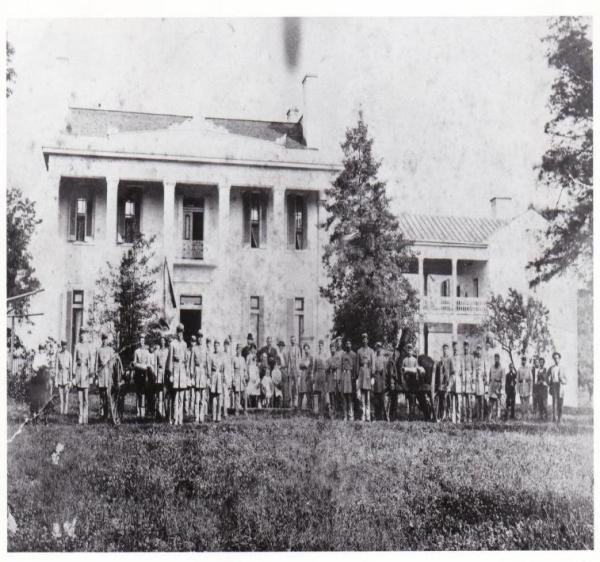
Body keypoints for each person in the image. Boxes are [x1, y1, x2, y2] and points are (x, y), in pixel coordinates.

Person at [167, 324, 188, 426]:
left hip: (182, 373)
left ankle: (180, 420)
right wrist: (170, 373)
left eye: (182, 332)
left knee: (181, 398)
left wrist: (187, 374)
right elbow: (170, 359)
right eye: (179, 332)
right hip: (175, 372)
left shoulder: (185, 344)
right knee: (175, 398)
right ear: (176, 333)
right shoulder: (172, 344)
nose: (180, 334)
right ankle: (174, 419)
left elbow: (186, 361)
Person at [95, 333, 117, 423]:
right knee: (102, 395)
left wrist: (108, 364)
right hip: (101, 375)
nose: (105, 341)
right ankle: (102, 415)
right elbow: (96, 363)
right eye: (103, 339)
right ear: (102, 340)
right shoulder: (99, 350)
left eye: (106, 339)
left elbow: (114, 362)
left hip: (108, 375)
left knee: (108, 395)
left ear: (107, 340)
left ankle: (108, 415)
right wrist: (96, 373)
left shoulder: (110, 350)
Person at [73, 329, 93, 425]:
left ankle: (86, 418)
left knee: (86, 398)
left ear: (86, 335)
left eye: (84, 334)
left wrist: (91, 375)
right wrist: (73, 375)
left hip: (86, 373)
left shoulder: (88, 346)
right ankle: (80, 418)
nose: (82, 336)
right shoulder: (77, 346)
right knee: (80, 399)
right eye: (81, 334)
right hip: (78, 373)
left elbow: (91, 361)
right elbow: (74, 361)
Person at [188, 332, 209, 423]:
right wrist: (192, 376)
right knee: (196, 397)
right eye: (199, 337)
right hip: (196, 373)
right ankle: (196, 417)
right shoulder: (194, 349)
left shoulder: (205, 349)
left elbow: (208, 364)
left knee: (202, 397)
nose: (200, 339)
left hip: (203, 373)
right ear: (197, 339)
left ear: (203, 339)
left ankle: (201, 416)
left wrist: (208, 376)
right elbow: (191, 363)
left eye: (201, 337)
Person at [356, 333, 375, 422]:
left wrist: (373, 376)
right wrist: (357, 378)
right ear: (362, 340)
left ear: (368, 340)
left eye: (366, 339)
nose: (364, 340)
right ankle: (362, 416)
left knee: (368, 396)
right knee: (361, 397)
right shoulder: (359, 351)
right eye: (363, 339)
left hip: (368, 373)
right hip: (361, 373)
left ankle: (368, 416)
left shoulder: (371, 351)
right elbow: (357, 365)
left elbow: (373, 365)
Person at [133, 335, 153, 420]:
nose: (142, 342)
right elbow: (134, 363)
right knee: (138, 393)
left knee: (144, 393)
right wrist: (140, 366)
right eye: (140, 340)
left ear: (144, 341)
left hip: (145, 374)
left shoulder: (147, 352)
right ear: (139, 341)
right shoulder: (136, 351)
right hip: (138, 374)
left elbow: (148, 363)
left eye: (143, 340)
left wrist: (146, 367)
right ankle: (138, 412)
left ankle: (143, 412)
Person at [401, 343, 419, 420]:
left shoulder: (415, 360)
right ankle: (407, 415)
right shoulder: (404, 360)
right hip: (406, 381)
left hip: (413, 382)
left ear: (412, 351)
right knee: (407, 398)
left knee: (413, 398)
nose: (409, 352)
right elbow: (402, 370)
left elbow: (416, 370)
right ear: (407, 351)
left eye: (410, 350)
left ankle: (413, 414)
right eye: (408, 350)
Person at [54, 339, 72, 416]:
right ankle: (61, 412)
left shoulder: (69, 355)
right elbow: (56, 368)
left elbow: (70, 368)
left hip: (66, 377)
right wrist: (56, 380)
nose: (64, 346)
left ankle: (66, 411)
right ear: (61, 346)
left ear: (66, 346)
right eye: (63, 345)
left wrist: (71, 380)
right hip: (60, 377)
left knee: (66, 396)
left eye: (65, 345)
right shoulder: (58, 354)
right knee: (61, 396)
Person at [153, 336, 169, 420]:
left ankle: (166, 414)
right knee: (159, 395)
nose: (162, 342)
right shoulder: (156, 352)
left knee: (165, 394)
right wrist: (155, 374)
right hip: (159, 373)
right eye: (161, 341)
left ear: (165, 342)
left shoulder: (167, 351)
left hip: (165, 374)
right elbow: (155, 364)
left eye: (163, 341)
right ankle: (159, 414)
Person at [209, 340, 226, 422]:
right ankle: (214, 415)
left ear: (219, 346)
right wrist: (209, 379)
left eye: (217, 345)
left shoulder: (222, 356)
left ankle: (218, 416)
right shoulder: (211, 355)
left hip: (219, 377)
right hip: (213, 377)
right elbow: (209, 368)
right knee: (213, 397)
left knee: (219, 397)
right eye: (215, 345)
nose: (216, 347)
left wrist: (224, 378)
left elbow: (224, 368)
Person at [435, 344, 452, 422]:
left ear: (448, 350)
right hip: (441, 383)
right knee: (441, 400)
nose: (445, 350)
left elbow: (452, 372)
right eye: (444, 349)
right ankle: (441, 416)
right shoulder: (440, 361)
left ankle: (448, 416)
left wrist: (450, 383)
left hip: (447, 383)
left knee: (447, 400)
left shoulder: (450, 360)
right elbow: (438, 372)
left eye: (446, 349)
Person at [549, 351, 567, 423]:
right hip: (554, 386)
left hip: (560, 387)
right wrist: (549, 383)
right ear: (553, 359)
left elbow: (566, 380)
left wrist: (562, 380)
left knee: (560, 403)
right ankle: (554, 419)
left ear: (559, 359)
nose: (556, 359)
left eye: (557, 358)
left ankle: (560, 419)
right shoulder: (551, 368)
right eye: (555, 358)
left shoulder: (562, 368)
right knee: (554, 403)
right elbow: (546, 376)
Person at [341, 339, 356, 421]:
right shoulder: (343, 355)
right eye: (347, 344)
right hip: (344, 375)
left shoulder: (354, 355)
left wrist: (354, 377)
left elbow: (355, 367)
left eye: (349, 344)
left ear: (351, 345)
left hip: (350, 376)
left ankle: (351, 415)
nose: (348, 345)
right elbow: (341, 366)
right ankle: (345, 415)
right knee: (344, 396)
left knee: (350, 396)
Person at [312, 339, 328, 416]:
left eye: (321, 345)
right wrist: (314, 376)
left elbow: (327, 366)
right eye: (319, 345)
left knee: (323, 394)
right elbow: (314, 368)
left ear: (323, 346)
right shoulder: (316, 355)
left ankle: (323, 412)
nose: (320, 346)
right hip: (318, 374)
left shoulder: (326, 355)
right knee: (317, 393)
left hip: (324, 374)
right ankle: (317, 411)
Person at [460, 341, 475, 423]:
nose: (466, 348)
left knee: (469, 401)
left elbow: (474, 370)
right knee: (463, 401)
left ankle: (470, 417)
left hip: (469, 380)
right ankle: (464, 417)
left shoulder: (471, 358)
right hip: (463, 380)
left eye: (467, 347)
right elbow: (459, 369)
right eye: (464, 347)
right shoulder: (461, 357)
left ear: (469, 348)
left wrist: (472, 379)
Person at [472, 344, 487, 422]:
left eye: (479, 349)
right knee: (477, 402)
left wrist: (485, 382)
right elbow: (473, 371)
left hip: (482, 382)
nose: (478, 351)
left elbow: (485, 372)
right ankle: (477, 417)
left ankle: (482, 417)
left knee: (482, 401)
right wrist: (473, 381)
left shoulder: (483, 360)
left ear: (481, 351)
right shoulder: (474, 360)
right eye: (477, 349)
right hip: (476, 382)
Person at [488, 353, 505, 421]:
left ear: (499, 359)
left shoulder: (502, 368)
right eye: (495, 358)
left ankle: (498, 417)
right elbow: (489, 377)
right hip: (492, 387)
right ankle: (490, 417)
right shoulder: (491, 367)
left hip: (498, 387)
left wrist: (501, 390)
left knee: (498, 404)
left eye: (497, 358)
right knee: (491, 403)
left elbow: (503, 380)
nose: (496, 359)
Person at [372, 343, 387, 421]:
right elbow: (373, 369)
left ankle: (382, 416)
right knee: (376, 399)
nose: (378, 349)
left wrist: (384, 381)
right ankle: (376, 416)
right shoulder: (374, 358)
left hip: (382, 380)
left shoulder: (384, 359)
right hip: (376, 379)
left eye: (379, 348)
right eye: (377, 347)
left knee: (382, 399)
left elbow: (385, 371)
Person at [286, 335, 301, 409]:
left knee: (296, 386)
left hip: (296, 369)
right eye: (291, 340)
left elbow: (299, 360)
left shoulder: (298, 349)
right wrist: (288, 370)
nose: (292, 341)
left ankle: (295, 402)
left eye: (294, 340)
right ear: (290, 341)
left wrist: (299, 371)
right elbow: (288, 361)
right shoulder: (288, 349)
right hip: (290, 369)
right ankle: (290, 401)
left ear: (295, 341)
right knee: (290, 387)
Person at [232, 344, 247, 414]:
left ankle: (245, 410)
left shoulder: (243, 359)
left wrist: (245, 376)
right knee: (237, 395)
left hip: (242, 377)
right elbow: (232, 370)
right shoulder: (234, 358)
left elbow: (245, 369)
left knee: (244, 395)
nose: (239, 350)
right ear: (236, 349)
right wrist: (233, 380)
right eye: (238, 349)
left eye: (240, 349)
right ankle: (237, 410)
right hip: (236, 377)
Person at [298, 343, 313, 411]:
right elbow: (300, 365)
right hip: (302, 377)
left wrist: (303, 365)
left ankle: (310, 409)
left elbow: (307, 365)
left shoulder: (311, 357)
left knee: (308, 393)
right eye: (305, 349)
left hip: (308, 377)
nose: (306, 351)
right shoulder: (303, 357)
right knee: (301, 393)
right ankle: (299, 409)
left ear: (309, 349)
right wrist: (303, 364)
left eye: (307, 349)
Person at [517, 355, 533, 420]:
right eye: (522, 360)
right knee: (522, 402)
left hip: (527, 386)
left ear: (526, 361)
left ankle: (527, 416)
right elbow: (517, 380)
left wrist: (531, 390)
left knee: (527, 402)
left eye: (524, 360)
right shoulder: (519, 369)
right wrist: (517, 389)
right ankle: (522, 415)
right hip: (521, 386)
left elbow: (531, 379)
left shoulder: (529, 369)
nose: (523, 361)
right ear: (521, 361)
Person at [325, 342, 338, 419]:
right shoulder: (328, 359)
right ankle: (332, 413)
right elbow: (326, 368)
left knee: (336, 396)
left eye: (333, 348)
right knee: (331, 396)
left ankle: (336, 412)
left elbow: (336, 366)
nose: (332, 349)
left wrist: (331, 367)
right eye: (331, 348)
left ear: (335, 349)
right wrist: (330, 367)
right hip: (330, 379)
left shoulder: (337, 358)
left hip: (336, 378)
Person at [449, 341, 460, 423]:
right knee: (452, 399)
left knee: (458, 400)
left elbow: (462, 370)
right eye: (454, 347)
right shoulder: (451, 358)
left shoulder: (460, 359)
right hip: (452, 379)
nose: (455, 349)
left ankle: (458, 418)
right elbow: (449, 370)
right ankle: (452, 418)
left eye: (456, 347)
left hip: (458, 380)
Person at [222, 339, 233, 419]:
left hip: (229, 377)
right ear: (224, 345)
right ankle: (224, 412)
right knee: (224, 395)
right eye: (225, 345)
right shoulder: (222, 355)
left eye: (227, 345)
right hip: (224, 377)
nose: (226, 346)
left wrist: (231, 378)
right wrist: (223, 376)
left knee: (228, 395)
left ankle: (226, 411)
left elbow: (231, 368)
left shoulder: (230, 355)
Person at [276, 340, 289, 408]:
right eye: (279, 346)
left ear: (283, 347)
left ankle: (285, 403)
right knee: (279, 385)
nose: (280, 347)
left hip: (283, 370)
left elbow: (286, 364)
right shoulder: (278, 354)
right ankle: (280, 403)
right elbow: (277, 362)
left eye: (281, 346)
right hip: (279, 370)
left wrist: (281, 366)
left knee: (284, 386)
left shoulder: (284, 353)